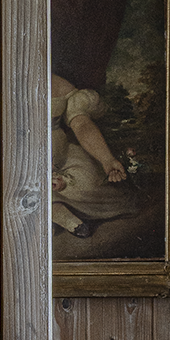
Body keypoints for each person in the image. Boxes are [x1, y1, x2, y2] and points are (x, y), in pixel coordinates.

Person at [51, 73, 137, 237]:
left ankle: (54, 211)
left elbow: (81, 124)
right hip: (21, 159)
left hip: (64, 157)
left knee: (90, 184)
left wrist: (107, 159)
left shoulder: (60, 84)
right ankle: (62, 216)